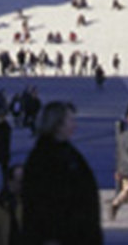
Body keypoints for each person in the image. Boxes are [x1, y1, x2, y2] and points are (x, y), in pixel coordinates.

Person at [24, 101, 103, 245]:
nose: (75, 125)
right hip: (62, 236)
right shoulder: (45, 157)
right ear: (57, 125)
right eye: (70, 120)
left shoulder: (67, 153)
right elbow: (39, 202)